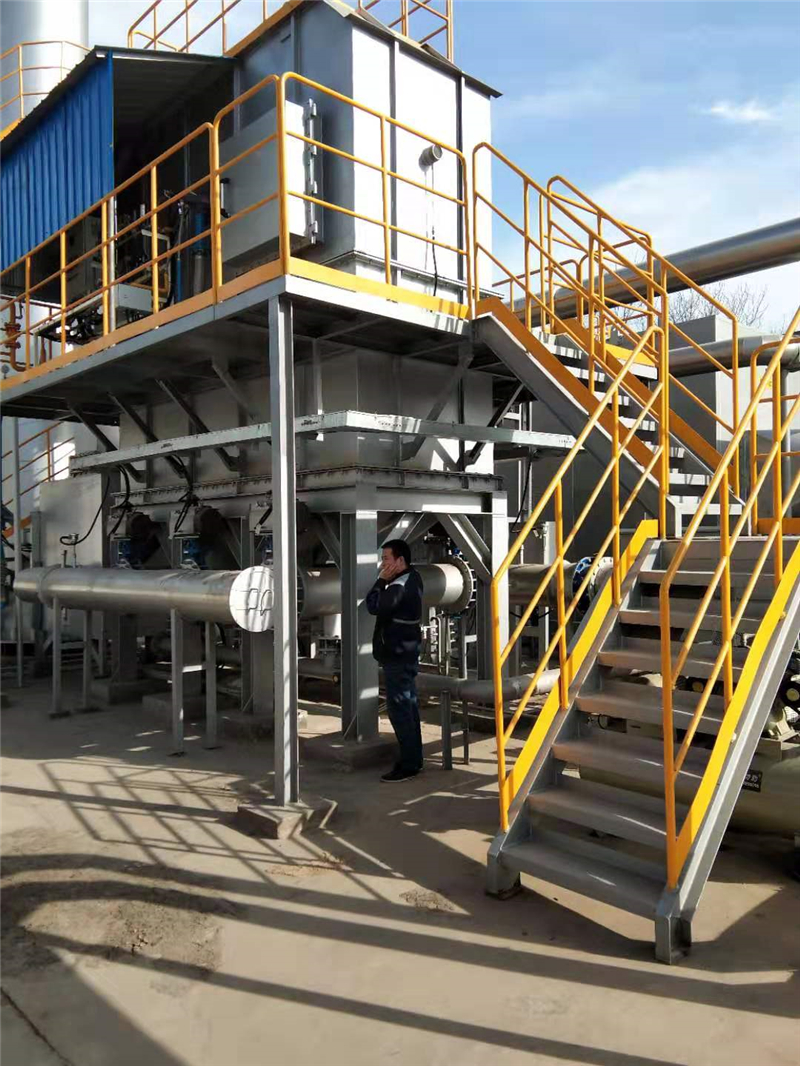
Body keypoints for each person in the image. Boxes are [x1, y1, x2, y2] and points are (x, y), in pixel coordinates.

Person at [366, 539, 424, 782]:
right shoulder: (414, 577)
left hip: (397, 655)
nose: (383, 564)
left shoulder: (398, 586)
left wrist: (381, 581)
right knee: (409, 706)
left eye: (386, 559)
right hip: (407, 651)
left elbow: (373, 605)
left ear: (400, 561)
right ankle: (414, 759)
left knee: (400, 709)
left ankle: (409, 765)